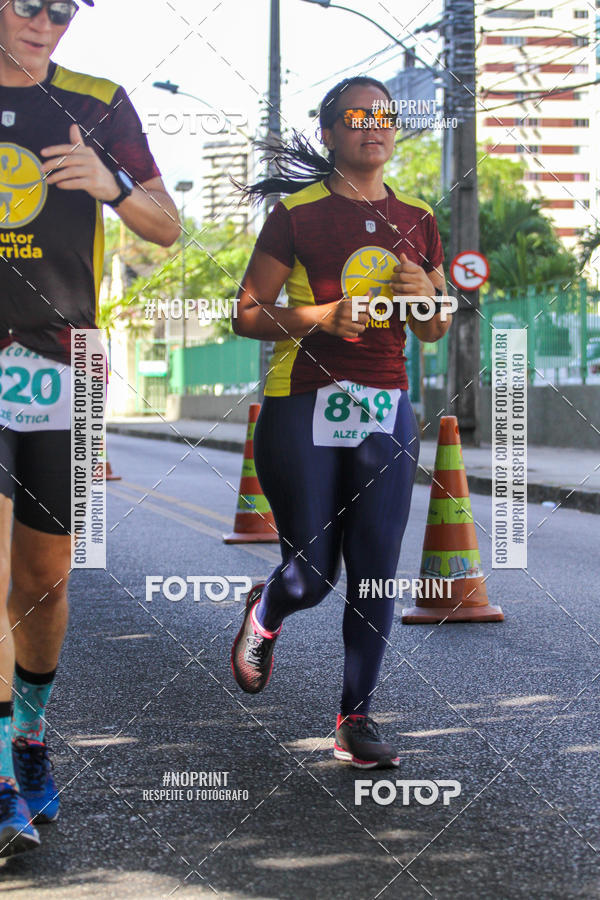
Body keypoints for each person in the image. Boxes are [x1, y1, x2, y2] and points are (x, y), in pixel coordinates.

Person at [230, 76, 452, 768]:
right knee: (313, 574)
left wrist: (427, 296)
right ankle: (268, 607)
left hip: (385, 407)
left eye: (384, 115)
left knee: (376, 571)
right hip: (302, 404)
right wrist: (320, 317)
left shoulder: (419, 218)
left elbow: (436, 326)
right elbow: (245, 314)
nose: (373, 125)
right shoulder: (295, 215)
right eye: (356, 117)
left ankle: (355, 717)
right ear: (328, 133)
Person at [0, 0, 179, 855]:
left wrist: (112, 186)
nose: (46, 21)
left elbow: (167, 226)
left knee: (43, 580)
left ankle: (29, 740)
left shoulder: (97, 101)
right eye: (28, 3)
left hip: (62, 366)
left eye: (63, 8)